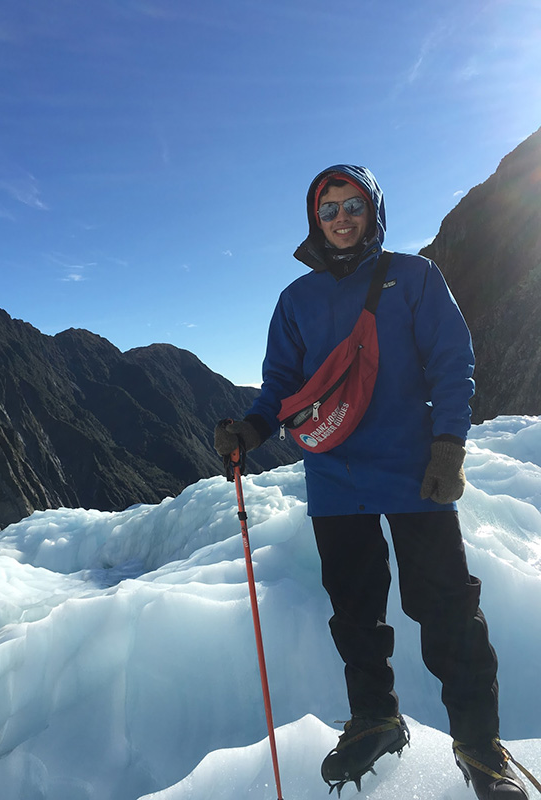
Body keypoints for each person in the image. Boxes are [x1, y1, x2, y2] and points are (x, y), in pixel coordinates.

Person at [214, 165, 530, 799]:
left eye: (351, 204)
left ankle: (479, 746)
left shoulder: (412, 277)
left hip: (415, 472)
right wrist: (252, 428)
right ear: (314, 219)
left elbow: (451, 362)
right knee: (355, 611)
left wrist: (448, 446)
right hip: (333, 477)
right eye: (328, 208)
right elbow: (281, 385)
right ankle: (374, 718)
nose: (340, 217)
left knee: (447, 609)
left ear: (372, 209)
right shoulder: (295, 300)